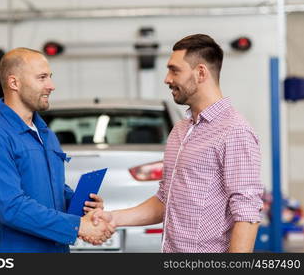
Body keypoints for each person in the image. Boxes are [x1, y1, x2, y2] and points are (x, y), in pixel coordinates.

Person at [91, 34, 264, 253]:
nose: (167, 79)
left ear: (200, 73)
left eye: (175, 70)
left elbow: (247, 213)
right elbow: (165, 201)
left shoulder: (234, 131)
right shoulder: (181, 131)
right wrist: (113, 217)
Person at [0, 47, 114, 253]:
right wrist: (78, 226)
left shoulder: (45, 133)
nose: (51, 86)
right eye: (42, 77)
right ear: (14, 83)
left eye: (50, 77)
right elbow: (10, 207)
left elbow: (53, 188)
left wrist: (81, 205)